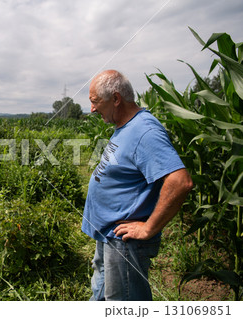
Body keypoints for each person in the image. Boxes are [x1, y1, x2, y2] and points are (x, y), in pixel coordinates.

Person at [82, 70, 193, 301]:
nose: (92, 108)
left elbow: (180, 181)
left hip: (124, 242)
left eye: (95, 101)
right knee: (101, 296)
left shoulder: (145, 131)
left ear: (115, 99)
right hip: (109, 234)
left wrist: (148, 228)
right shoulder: (127, 126)